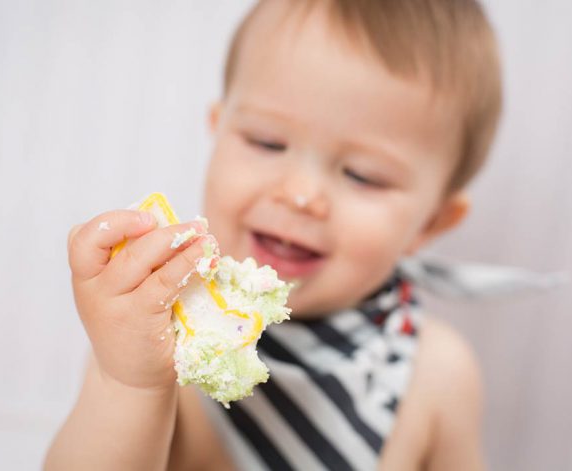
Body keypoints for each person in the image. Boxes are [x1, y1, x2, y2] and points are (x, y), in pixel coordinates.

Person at [45, 0, 502, 469]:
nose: (301, 195)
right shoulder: (156, 333)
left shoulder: (438, 373)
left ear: (429, 223)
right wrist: (129, 383)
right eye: (268, 142)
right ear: (218, 130)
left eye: (363, 175)